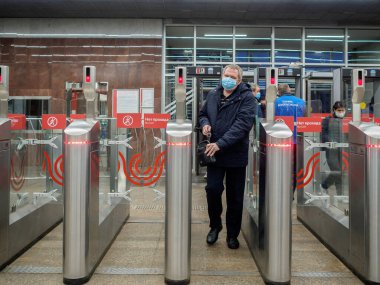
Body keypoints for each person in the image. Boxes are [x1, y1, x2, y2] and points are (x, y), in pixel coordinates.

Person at [198, 64, 256, 249]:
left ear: (239, 80)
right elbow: (203, 114)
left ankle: (233, 234)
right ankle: (215, 226)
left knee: (235, 197)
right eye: (226, 75)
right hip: (213, 154)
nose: (228, 78)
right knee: (213, 190)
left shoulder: (247, 98)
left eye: (232, 76)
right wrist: (205, 124)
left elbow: (242, 125)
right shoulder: (214, 93)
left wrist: (220, 144)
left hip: (235, 154)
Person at [274, 83, 305, 194]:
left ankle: (280, 191)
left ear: (279, 92)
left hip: (280, 140)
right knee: (295, 168)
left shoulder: (275, 102)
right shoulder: (301, 102)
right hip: (297, 140)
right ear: (289, 90)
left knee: (280, 166)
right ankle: (292, 192)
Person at [320, 101, 346, 195]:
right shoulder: (327, 120)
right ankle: (324, 185)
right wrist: (329, 142)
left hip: (341, 149)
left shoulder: (345, 120)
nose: (341, 112)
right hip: (330, 150)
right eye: (339, 110)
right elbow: (323, 134)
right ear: (334, 110)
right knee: (337, 170)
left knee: (340, 172)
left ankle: (340, 194)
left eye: (343, 110)